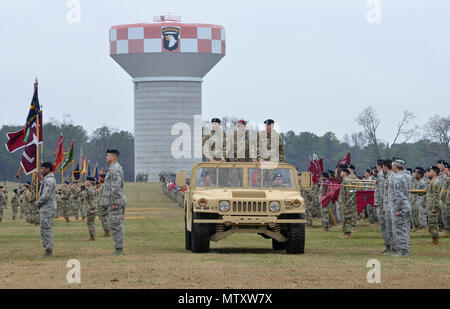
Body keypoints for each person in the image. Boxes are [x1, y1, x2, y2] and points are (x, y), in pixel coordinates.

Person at [101, 149, 127, 256]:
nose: (106, 157)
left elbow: (115, 187)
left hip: (115, 202)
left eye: (108, 155)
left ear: (113, 157)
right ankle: (118, 248)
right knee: (114, 225)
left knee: (116, 225)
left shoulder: (115, 169)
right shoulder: (112, 168)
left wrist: (114, 202)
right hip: (113, 201)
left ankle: (119, 249)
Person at [389, 158, 411, 257]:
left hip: (400, 206)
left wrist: (398, 208)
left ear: (395, 166)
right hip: (406, 204)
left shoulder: (397, 178)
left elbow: (398, 194)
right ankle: (405, 249)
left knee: (399, 229)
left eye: (393, 165)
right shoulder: (407, 176)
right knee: (405, 228)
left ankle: (403, 251)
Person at [35, 162, 57, 258]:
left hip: (47, 208)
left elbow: (45, 196)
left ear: (48, 169)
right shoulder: (47, 179)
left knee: (46, 229)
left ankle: (48, 251)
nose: (41, 170)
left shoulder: (49, 181)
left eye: (43, 168)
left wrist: (37, 203)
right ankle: (48, 250)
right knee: (46, 229)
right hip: (47, 208)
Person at [426, 166, 442, 245]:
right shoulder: (433, 181)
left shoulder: (436, 182)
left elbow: (436, 196)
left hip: (434, 206)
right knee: (431, 223)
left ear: (435, 172)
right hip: (430, 204)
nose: (429, 172)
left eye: (431, 171)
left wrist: (434, 207)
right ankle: (434, 239)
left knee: (433, 223)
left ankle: (435, 240)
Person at [382, 159, 394, 255]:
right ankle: (389, 247)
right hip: (387, 206)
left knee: (390, 228)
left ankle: (392, 248)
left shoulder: (391, 177)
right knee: (388, 227)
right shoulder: (388, 177)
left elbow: (391, 194)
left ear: (386, 167)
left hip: (390, 207)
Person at [338, 168, 353, 239]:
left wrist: (348, 204)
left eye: (341, 172)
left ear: (345, 173)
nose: (340, 173)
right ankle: (345, 232)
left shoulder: (347, 181)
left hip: (346, 203)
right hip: (343, 202)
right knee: (344, 218)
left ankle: (348, 233)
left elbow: (349, 193)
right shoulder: (344, 181)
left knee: (347, 217)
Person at [85, 177, 98, 241]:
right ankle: (92, 236)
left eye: (86, 181)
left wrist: (92, 209)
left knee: (91, 223)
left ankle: (92, 237)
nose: (85, 182)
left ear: (89, 182)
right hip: (90, 208)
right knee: (90, 223)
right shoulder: (90, 189)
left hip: (91, 209)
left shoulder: (91, 190)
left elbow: (92, 200)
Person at [440, 163, 450, 237]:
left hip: (448, 200)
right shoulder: (445, 178)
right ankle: (446, 229)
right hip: (445, 199)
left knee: (448, 215)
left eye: (446, 169)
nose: (445, 171)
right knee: (445, 215)